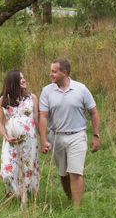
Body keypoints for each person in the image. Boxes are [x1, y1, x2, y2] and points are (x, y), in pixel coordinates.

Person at [38, 58, 100, 208]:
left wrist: (96, 136)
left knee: (76, 173)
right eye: (51, 71)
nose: (50, 74)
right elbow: (43, 116)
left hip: (77, 135)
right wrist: (43, 139)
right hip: (56, 137)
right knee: (63, 174)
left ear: (64, 72)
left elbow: (93, 113)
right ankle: (70, 198)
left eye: (54, 71)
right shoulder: (47, 91)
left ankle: (77, 208)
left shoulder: (81, 89)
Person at [0, 69, 40, 203]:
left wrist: (43, 140)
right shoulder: (3, 100)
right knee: (8, 171)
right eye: (20, 79)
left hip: (29, 141)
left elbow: (37, 119)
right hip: (11, 142)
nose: (24, 80)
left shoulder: (32, 98)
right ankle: (13, 190)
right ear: (13, 82)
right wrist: (6, 137)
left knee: (27, 169)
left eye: (24, 78)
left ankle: (24, 197)